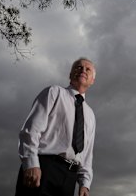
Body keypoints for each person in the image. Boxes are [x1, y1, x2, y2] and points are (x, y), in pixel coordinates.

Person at [16, 58, 96, 196]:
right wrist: (31, 163)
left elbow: (87, 153)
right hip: (44, 167)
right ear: (70, 75)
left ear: (92, 81)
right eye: (79, 67)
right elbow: (32, 129)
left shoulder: (90, 114)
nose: (83, 70)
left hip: (69, 177)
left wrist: (85, 184)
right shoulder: (54, 92)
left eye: (87, 69)